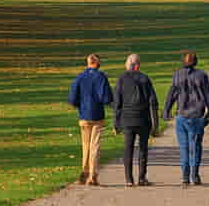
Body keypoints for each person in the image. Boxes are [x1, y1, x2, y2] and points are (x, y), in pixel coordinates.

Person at [163, 51, 209, 186]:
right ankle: (195, 174)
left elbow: (172, 94)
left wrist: (166, 110)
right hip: (197, 115)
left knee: (184, 147)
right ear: (196, 62)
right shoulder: (201, 75)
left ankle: (185, 176)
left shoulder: (177, 75)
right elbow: (208, 94)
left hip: (182, 114)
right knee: (196, 146)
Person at [112, 53, 159, 186]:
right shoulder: (145, 79)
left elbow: (117, 103)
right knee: (143, 149)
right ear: (138, 65)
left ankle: (128, 179)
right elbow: (153, 102)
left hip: (127, 120)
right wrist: (155, 124)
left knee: (128, 149)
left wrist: (116, 123)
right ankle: (142, 178)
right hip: (143, 119)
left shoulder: (121, 79)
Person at [67, 53, 113, 186]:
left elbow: (72, 98)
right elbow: (106, 98)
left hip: (84, 116)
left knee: (85, 145)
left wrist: (79, 105)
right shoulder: (101, 77)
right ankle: (93, 174)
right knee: (95, 146)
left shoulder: (80, 77)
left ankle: (85, 170)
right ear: (98, 63)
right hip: (97, 115)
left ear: (88, 63)